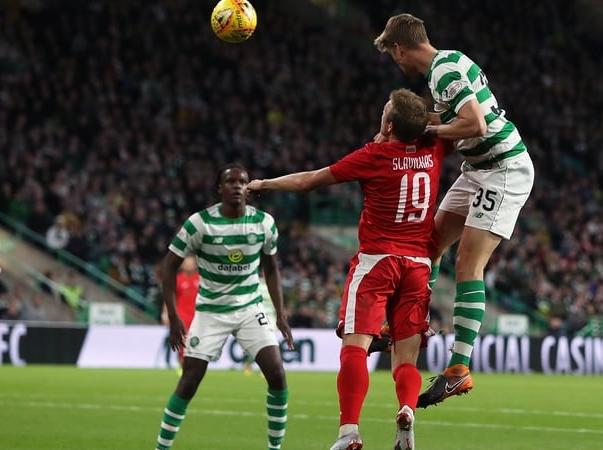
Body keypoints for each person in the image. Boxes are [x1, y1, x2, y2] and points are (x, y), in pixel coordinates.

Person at [248, 88, 452, 450]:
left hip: (377, 262)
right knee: (405, 357)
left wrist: (266, 183)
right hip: (419, 264)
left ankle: (349, 432)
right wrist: (425, 127)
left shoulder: (374, 155)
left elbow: (310, 180)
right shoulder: (434, 149)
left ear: (388, 124)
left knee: (354, 347)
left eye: (385, 109)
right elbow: (455, 126)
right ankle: (406, 409)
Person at [374, 13, 536, 408]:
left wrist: (425, 130)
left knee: (468, 263)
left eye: (394, 56)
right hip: (477, 169)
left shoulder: (445, 71)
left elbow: (476, 124)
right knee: (428, 243)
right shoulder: (445, 68)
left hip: (502, 170)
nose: (397, 64)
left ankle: (458, 369)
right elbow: (455, 119)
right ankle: (409, 319)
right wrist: (405, 120)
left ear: (401, 48)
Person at [154, 163, 295, 450]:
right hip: (210, 312)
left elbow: (271, 269)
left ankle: (275, 448)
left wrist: (280, 315)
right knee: (190, 379)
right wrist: (171, 313)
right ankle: (162, 447)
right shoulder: (200, 223)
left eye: (242, 182)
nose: (237, 186)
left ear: (248, 187)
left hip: (249, 309)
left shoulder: (263, 223)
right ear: (220, 188)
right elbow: (169, 267)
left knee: (277, 375)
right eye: (230, 182)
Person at [161, 255, 200, 369]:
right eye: (187, 263)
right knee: (183, 343)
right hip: (181, 316)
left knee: (196, 342)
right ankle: (182, 365)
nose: (189, 266)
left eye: (192, 263)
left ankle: (193, 366)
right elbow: (168, 298)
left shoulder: (200, 279)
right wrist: (165, 314)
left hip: (197, 316)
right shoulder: (177, 279)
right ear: (182, 265)